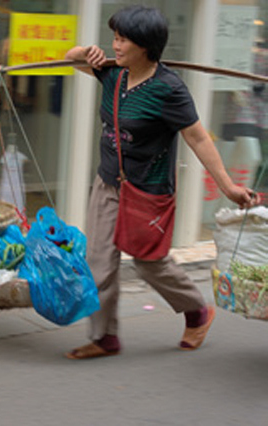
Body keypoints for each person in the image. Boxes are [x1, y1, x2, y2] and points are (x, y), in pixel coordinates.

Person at [63, 6, 260, 359]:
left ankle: (197, 311)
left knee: (148, 262)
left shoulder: (169, 89)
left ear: (145, 45)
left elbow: (198, 138)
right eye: (115, 38)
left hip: (147, 192)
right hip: (109, 182)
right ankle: (105, 336)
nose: (116, 45)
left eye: (123, 39)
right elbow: (71, 60)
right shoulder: (112, 74)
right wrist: (83, 52)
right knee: (99, 262)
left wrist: (229, 187)